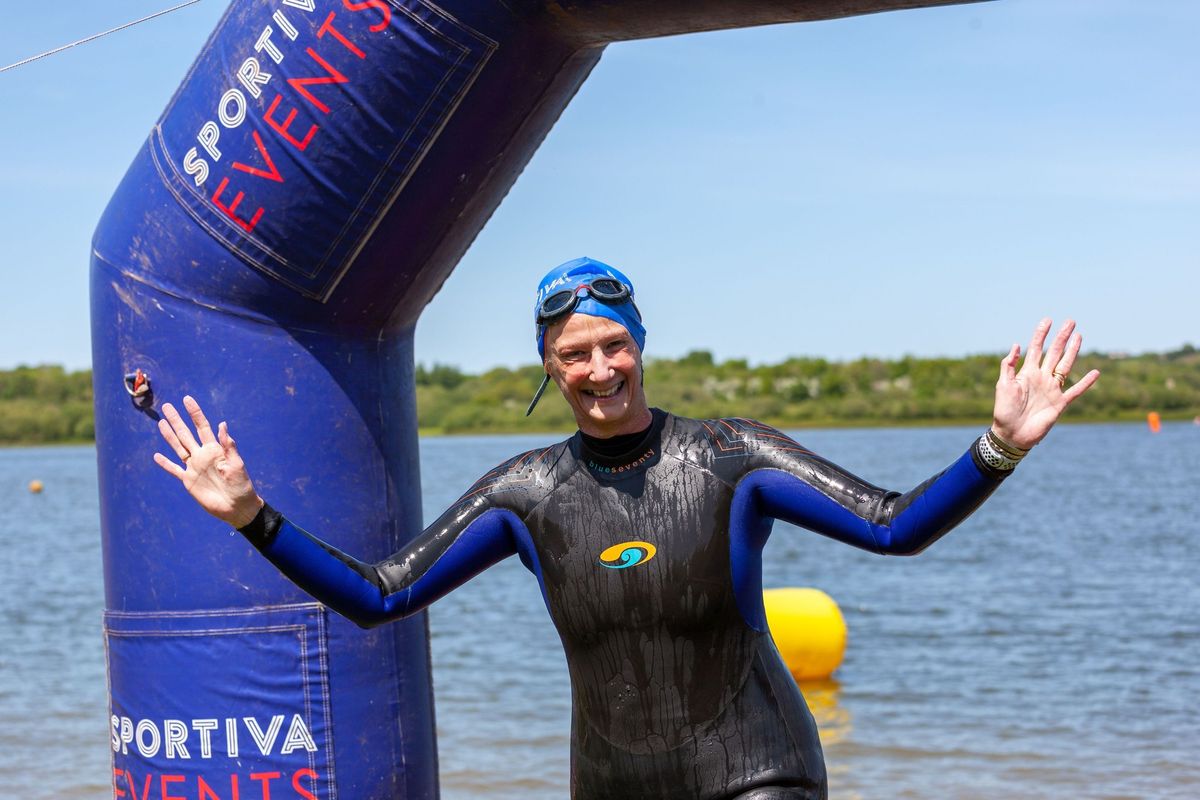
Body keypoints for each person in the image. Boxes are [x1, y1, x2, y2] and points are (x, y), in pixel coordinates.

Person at [154, 257, 1099, 800]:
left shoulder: (732, 456)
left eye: (613, 344)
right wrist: (252, 516)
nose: (599, 368)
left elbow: (893, 528)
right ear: (551, 369)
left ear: (639, 345)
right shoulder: (525, 492)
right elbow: (382, 594)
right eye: (574, 354)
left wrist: (997, 447)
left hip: (758, 775)